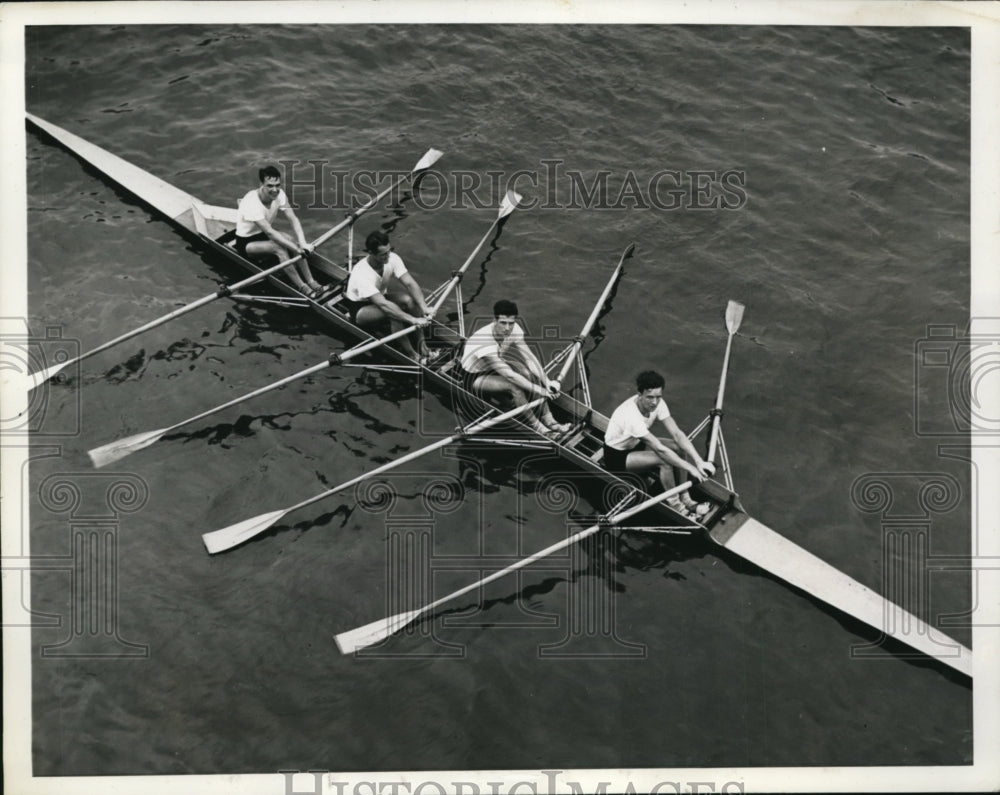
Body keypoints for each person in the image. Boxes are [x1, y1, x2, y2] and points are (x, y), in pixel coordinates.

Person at [603, 370, 715, 516]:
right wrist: (689, 468)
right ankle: (677, 506)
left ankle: (686, 498)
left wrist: (699, 461)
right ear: (639, 394)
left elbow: (677, 433)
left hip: (635, 444)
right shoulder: (630, 416)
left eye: (658, 397)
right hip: (616, 457)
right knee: (664, 461)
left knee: (678, 448)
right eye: (649, 397)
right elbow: (660, 449)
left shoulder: (658, 403)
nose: (654, 402)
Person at [457, 299, 573, 438]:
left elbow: (529, 358)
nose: (507, 328)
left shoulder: (514, 329)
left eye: (511, 323)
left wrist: (547, 382)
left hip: (495, 367)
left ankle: (550, 421)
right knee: (514, 386)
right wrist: (540, 390)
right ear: (494, 320)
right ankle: (540, 428)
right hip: (473, 377)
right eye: (503, 323)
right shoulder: (483, 341)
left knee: (527, 372)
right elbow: (509, 375)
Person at [342, 230, 433, 361]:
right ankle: (413, 355)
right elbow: (384, 305)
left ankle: (423, 346)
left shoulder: (391, 258)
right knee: (392, 313)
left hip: (379, 298)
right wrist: (413, 320)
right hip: (359, 308)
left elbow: (410, 284)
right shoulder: (361, 274)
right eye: (383, 255)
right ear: (371, 253)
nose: (388, 257)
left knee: (410, 301)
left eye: (389, 251)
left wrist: (424, 308)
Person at [235, 165, 324, 298]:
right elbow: (270, 233)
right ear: (261, 184)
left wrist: (302, 243)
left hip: (262, 234)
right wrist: (297, 250)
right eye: (270, 186)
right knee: (279, 248)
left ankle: (311, 281)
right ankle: (302, 287)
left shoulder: (279, 194)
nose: (275, 190)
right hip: (245, 242)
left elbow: (293, 218)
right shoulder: (251, 203)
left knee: (291, 239)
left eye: (277, 185)